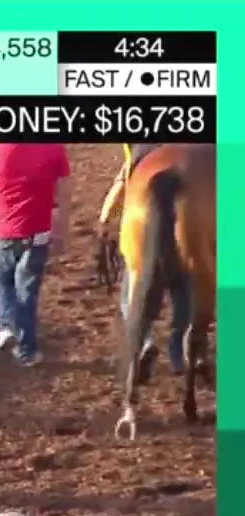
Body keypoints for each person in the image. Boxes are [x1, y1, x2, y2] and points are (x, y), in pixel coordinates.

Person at [0, 143, 71, 367]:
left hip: (0, 234)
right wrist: (61, 230)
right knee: (27, 292)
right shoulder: (54, 147)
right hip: (37, 235)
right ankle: (26, 351)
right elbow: (63, 193)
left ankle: (5, 327)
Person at [97, 143, 189, 378]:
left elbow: (122, 182)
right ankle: (178, 350)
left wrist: (105, 218)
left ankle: (145, 341)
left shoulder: (137, 148)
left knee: (131, 293)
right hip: (184, 225)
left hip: (142, 228)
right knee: (184, 289)